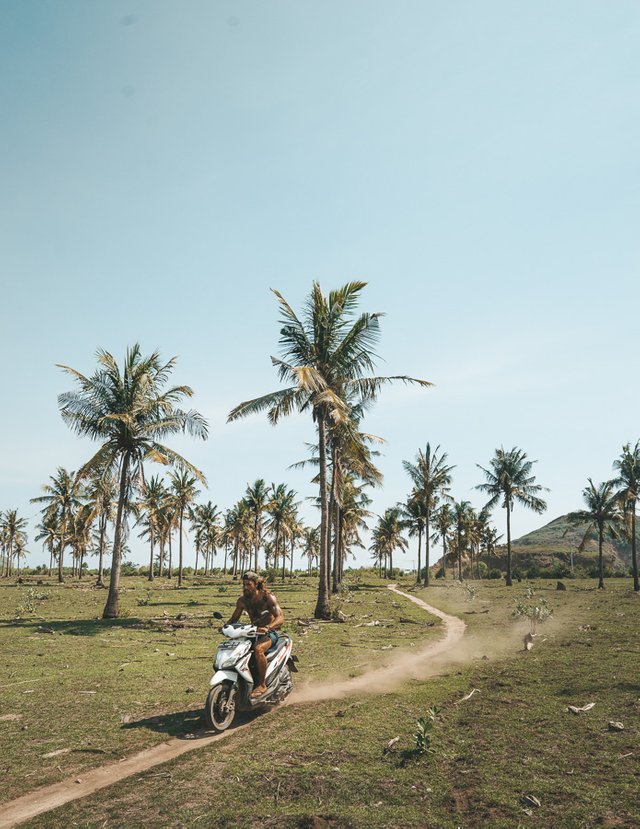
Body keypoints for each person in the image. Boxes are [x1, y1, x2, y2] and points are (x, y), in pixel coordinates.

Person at [223, 571, 285, 698]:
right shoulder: (242, 601)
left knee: (258, 649)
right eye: (244, 584)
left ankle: (262, 684)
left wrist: (268, 627)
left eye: (248, 584)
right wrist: (225, 626)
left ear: (256, 584)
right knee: (236, 648)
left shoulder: (267, 598)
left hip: (269, 632)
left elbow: (280, 618)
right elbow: (234, 618)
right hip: (252, 631)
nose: (245, 587)